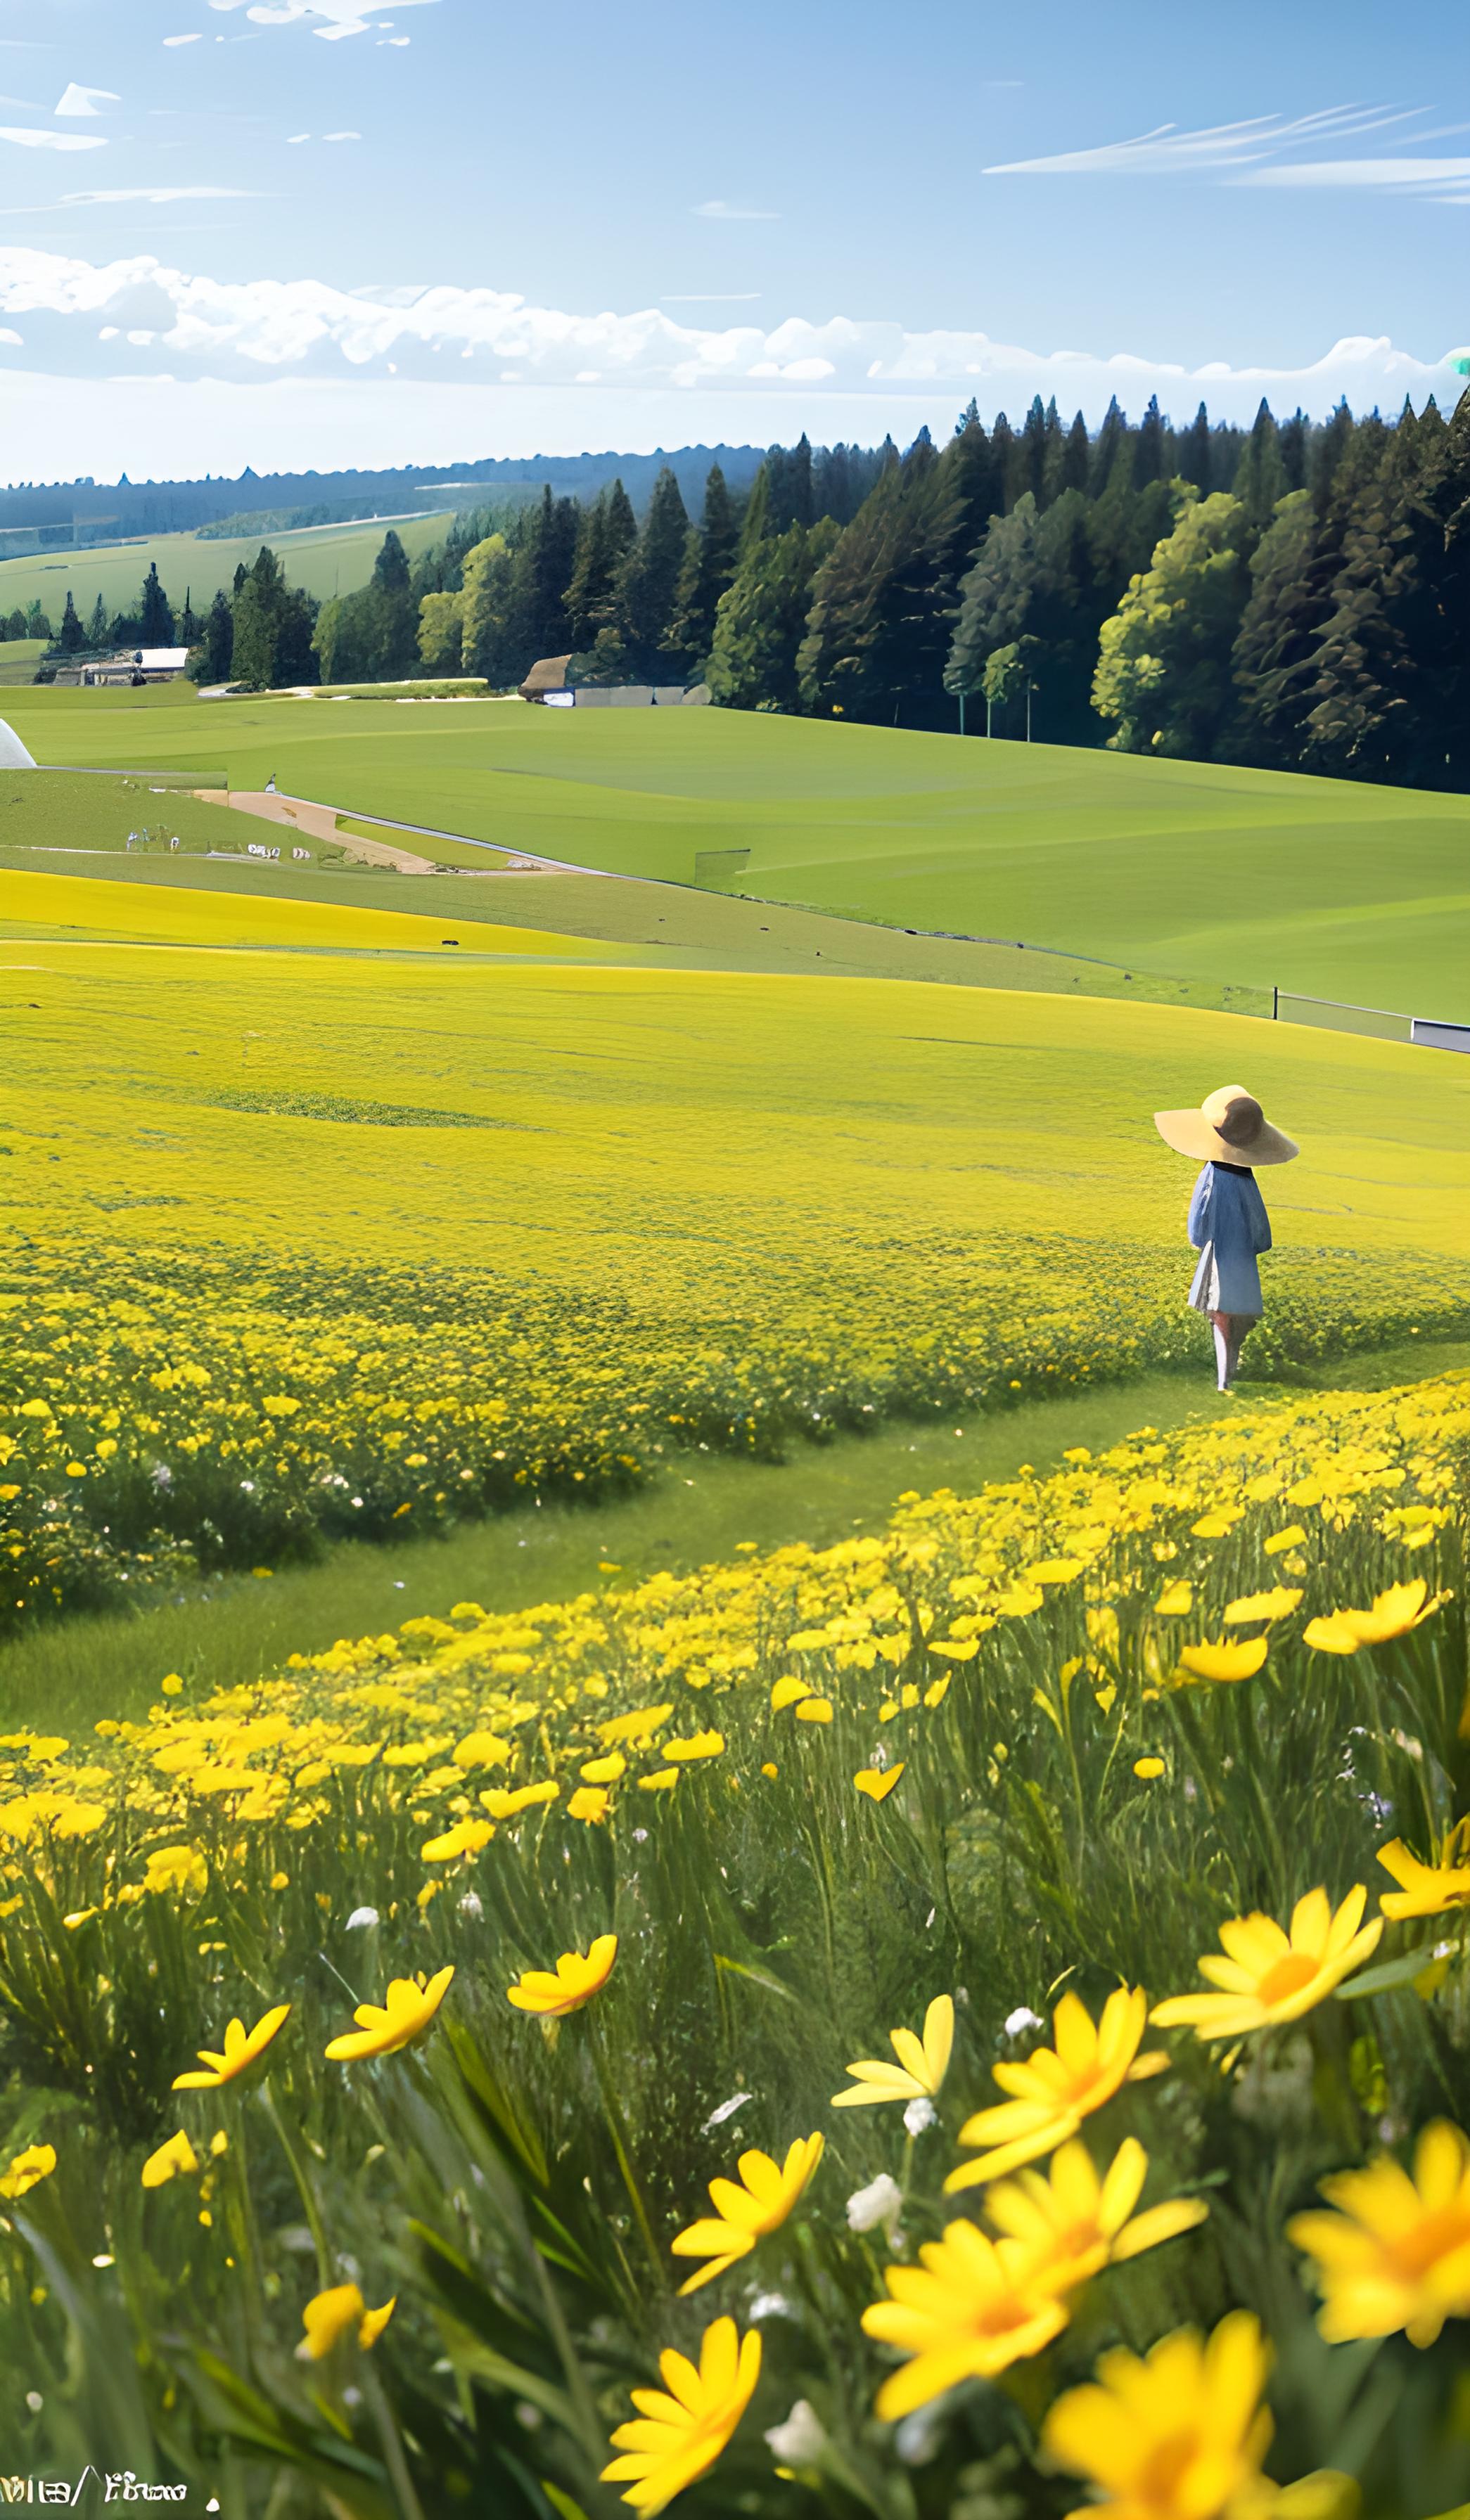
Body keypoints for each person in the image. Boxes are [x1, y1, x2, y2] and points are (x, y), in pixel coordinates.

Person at [1153, 1084, 1298, 1392]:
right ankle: (1230, 1371)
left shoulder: (1212, 1174)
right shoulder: (1247, 1179)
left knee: (1220, 1320)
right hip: (1243, 1262)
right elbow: (1261, 1230)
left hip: (1219, 1257)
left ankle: (1224, 1380)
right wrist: (1255, 1246)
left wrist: (1198, 1239)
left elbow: (1199, 1221)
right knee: (1235, 1321)